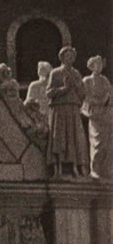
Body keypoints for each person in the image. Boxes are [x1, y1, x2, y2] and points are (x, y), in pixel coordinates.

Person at [46, 46, 89, 176]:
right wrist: (64, 88)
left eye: (72, 56)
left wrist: (75, 85)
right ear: (62, 57)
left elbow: (82, 93)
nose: (70, 59)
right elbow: (49, 93)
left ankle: (75, 166)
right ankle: (57, 167)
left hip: (73, 109)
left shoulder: (76, 74)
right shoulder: (55, 72)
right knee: (59, 138)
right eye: (67, 56)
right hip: (59, 109)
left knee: (73, 138)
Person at [82, 56, 112, 179]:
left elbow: (109, 95)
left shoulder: (105, 80)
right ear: (92, 66)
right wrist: (99, 101)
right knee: (97, 142)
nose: (99, 67)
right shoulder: (87, 81)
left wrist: (106, 100)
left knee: (107, 143)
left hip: (106, 114)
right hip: (94, 114)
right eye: (96, 64)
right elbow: (85, 97)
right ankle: (95, 169)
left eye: (100, 64)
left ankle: (106, 169)